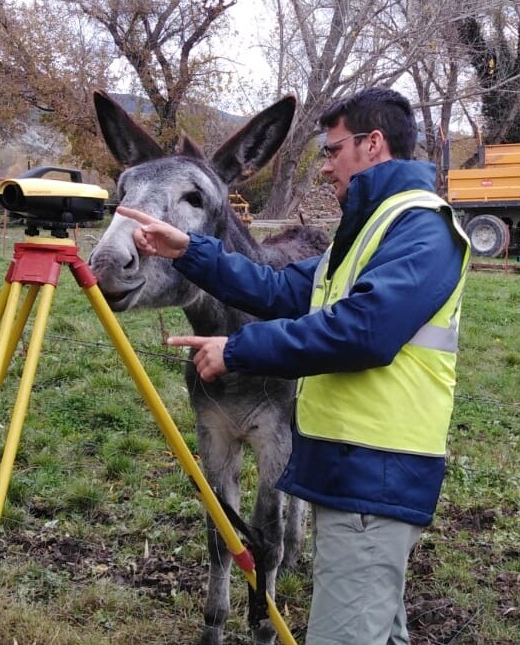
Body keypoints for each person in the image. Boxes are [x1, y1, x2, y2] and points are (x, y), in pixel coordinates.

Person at [115, 87, 470, 644]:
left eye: (331, 151)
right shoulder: (365, 235)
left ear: (372, 144)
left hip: (375, 476)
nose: (325, 167)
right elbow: (277, 287)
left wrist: (236, 350)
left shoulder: (420, 228)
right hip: (349, 470)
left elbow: (365, 333)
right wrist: (189, 250)